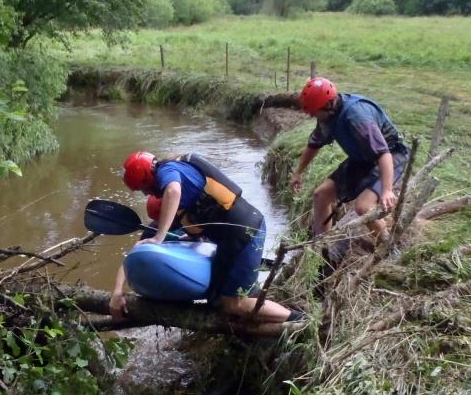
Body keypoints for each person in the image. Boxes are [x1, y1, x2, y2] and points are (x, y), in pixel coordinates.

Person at [110, 152, 304, 327]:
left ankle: (300, 321)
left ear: (148, 175)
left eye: (144, 188)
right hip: (234, 237)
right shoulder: (178, 211)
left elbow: (173, 191)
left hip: (245, 231)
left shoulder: (168, 170)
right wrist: (117, 292)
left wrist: (160, 237)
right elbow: (134, 255)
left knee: (234, 304)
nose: (147, 193)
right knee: (218, 301)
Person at [290, 77, 409, 240]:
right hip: (362, 158)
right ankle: (321, 248)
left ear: (327, 105)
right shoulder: (327, 116)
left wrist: (387, 190)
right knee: (320, 195)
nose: (312, 116)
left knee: (363, 207)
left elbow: (383, 153)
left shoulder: (357, 118)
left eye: (314, 112)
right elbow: (314, 144)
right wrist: (298, 173)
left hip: (391, 155)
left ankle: (387, 245)